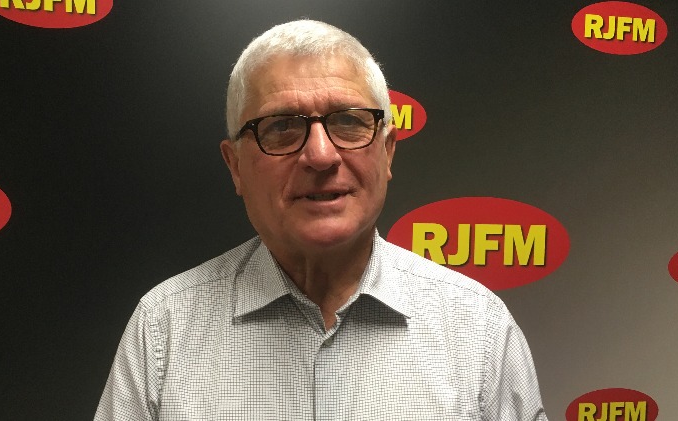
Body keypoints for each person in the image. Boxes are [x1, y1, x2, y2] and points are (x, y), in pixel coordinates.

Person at [95, 19, 548, 420]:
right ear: (235, 166)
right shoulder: (163, 329)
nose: (321, 155)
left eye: (349, 122)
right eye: (281, 127)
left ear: (387, 152)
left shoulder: (479, 329)